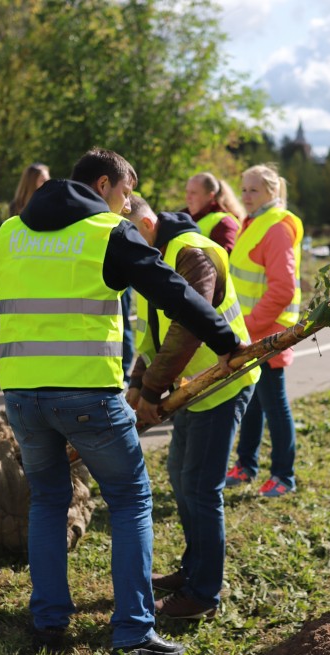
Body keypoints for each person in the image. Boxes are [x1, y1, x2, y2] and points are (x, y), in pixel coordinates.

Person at [0, 149, 242, 655]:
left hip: (24, 399)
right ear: (104, 186)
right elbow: (173, 291)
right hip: (88, 397)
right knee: (130, 499)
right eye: (126, 192)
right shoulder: (109, 232)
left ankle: (48, 618)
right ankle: (134, 631)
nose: (128, 205)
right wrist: (226, 339)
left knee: (47, 501)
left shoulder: (10, 233)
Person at [124, 196, 258, 619]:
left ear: (147, 224)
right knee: (183, 480)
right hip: (194, 389)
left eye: (127, 232)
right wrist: (138, 381)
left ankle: (202, 594)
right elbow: (155, 330)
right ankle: (193, 570)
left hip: (220, 386)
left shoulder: (191, 254)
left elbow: (187, 327)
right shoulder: (155, 256)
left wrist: (150, 390)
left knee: (200, 488)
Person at [225, 163, 303, 497]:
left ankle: (283, 477)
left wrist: (249, 325)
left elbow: (282, 289)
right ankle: (246, 466)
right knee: (253, 404)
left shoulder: (275, 228)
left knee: (274, 405)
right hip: (252, 333)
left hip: (268, 335)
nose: (245, 196)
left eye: (253, 190)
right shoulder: (254, 222)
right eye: (243, 189)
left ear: (271, 191)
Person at [184, 171, 244, 253]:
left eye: (193, 193)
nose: (188, 197)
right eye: (187, 192)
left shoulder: (225, 223)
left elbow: (224, 257)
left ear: (210, 196)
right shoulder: (182, 218)